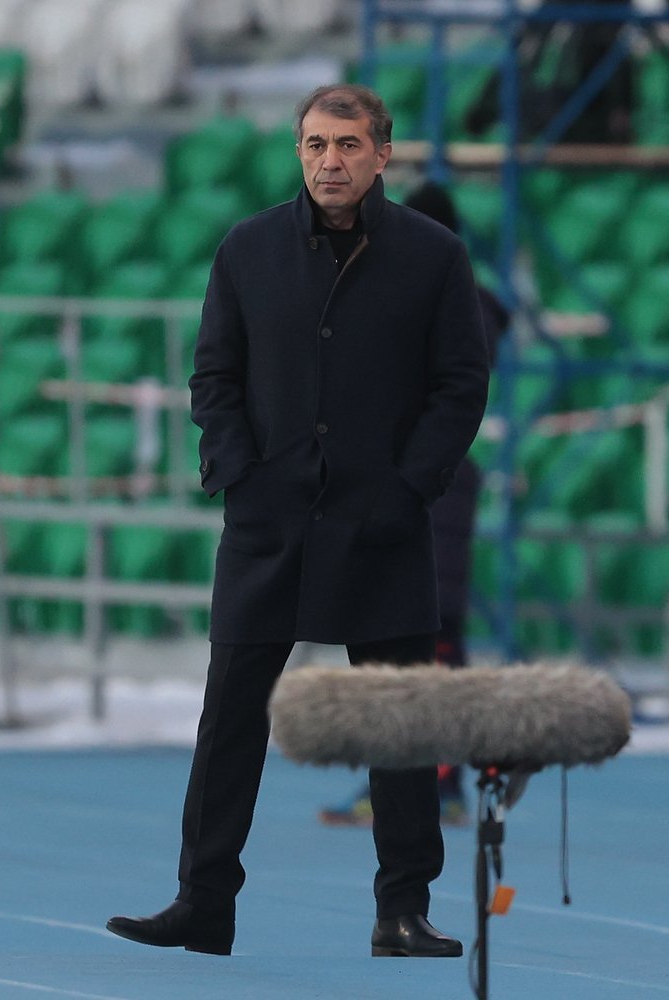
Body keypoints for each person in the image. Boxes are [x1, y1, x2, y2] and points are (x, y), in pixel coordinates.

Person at [106, 85, 490, 959]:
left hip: (382, 522)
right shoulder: (247, 249)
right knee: (230, 722)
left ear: (383, 154)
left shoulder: (433, 257)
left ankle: (403, 911)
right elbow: (214, 376)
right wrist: (236, 475)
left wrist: (409, 489)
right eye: (315, 145)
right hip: (267, 522)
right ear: (298, 153)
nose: (330, 162)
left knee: (397, 721)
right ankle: (203, 904)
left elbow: (461, 385)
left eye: (349, 145)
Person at [318, 179, 510, 829]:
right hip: (424, 481)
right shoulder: (451, 300)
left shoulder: (436, 300)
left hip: (422, 484)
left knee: (421, 641)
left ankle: (425, 782)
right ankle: (421, 780)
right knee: (415, 640)